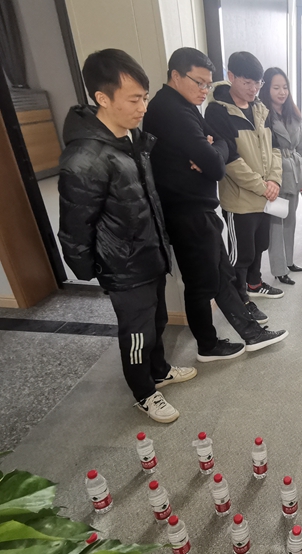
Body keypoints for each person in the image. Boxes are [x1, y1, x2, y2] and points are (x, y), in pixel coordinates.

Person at [58, 49, 194, 423]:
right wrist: (92, 268)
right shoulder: (85, 158)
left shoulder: (131, 139)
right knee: (136, 333)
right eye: (134, 99)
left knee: (157, 321)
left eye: (144, 97)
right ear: (102, 98)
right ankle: (143, 392)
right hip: (122, 265)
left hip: (149, 253)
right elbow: (75, 225)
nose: (143, 107)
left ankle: (159, 371)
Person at [143, 47, 287, 362]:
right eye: (199, 82)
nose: (204, 90)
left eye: (207, 84)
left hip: (198, 208)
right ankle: (208, 345)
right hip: (185, 210)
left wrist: (212, 150)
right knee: (202, 282)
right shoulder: (171, 110)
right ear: (176, 75)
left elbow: (217, 148)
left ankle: (250, 334)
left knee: (219, 274)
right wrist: (212, 153)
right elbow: (218, 164)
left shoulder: (186, 105)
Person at [205, 52, 285, 311]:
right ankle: (240, 300)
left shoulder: (260, 109)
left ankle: (254, 283)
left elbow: (275, 148)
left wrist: (274, 180)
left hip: (265, 196)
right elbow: (230, 161)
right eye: (247, 82)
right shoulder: (217, 112)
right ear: (231, 76)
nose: (253, 89)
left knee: (260, 244)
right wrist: (263, 187)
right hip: (240, 200)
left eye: (258, 83)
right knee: (241, 254)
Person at [257, 66, 302, 285]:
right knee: (276, 225)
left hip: (295, 174)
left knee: (290, 221)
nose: (282, 92)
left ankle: (289, 261)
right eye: (276, 87)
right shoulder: (262, 114)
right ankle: (279, 269)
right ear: (266, 88)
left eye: (285, 87)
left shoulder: (293, 113)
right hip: (276, 175)